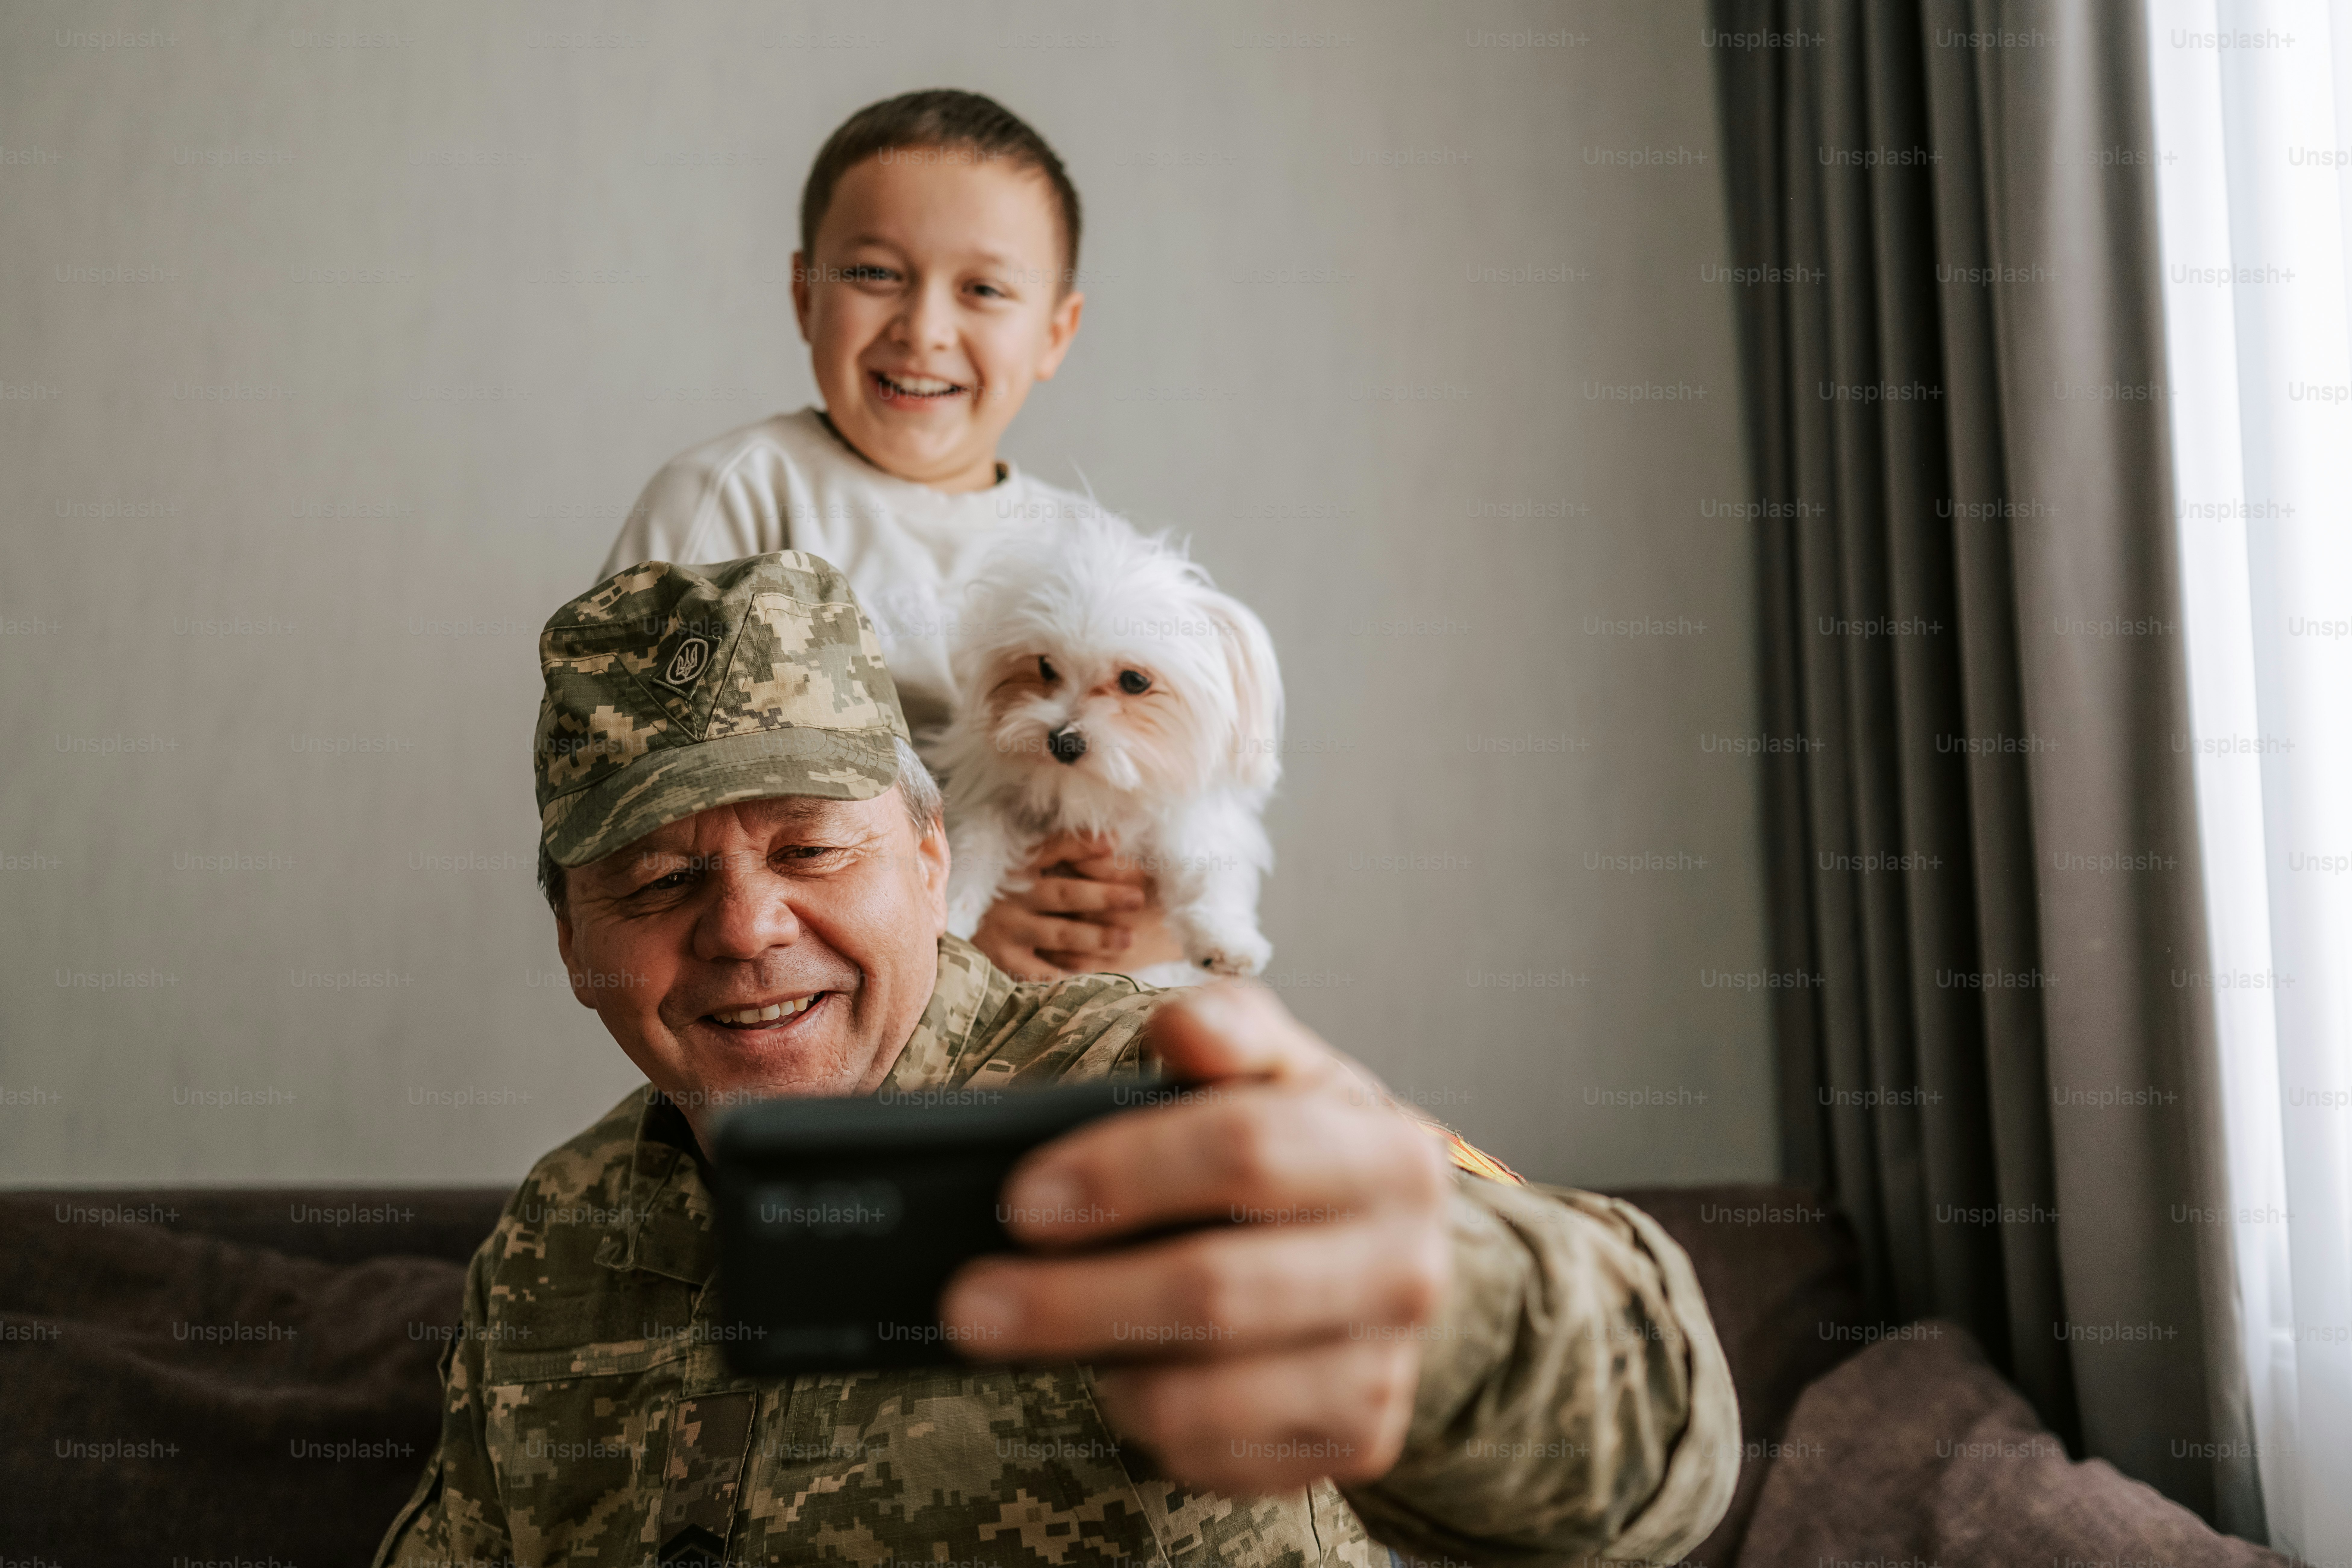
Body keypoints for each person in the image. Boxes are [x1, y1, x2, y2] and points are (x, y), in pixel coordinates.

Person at [374, 552, 1738, 1567]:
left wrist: (1459, 1320)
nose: (743, 927)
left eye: (810, 848)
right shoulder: (556, 1229)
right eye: (659, 876)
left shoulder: (1158, 1086)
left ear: (927, 858)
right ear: (571, 938)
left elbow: (1660, 1456)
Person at [598, 89, 1184, 985]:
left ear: (1055, 331)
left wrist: (1138, 921)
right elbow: (635, 811)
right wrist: (942, 937)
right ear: (804, 294)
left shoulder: (1090, 550)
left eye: (984, 289)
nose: (925, 329)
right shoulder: (736, 497)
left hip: (1079, 1005)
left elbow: (1176, 770)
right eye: (875, 274)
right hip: (820, 1006)